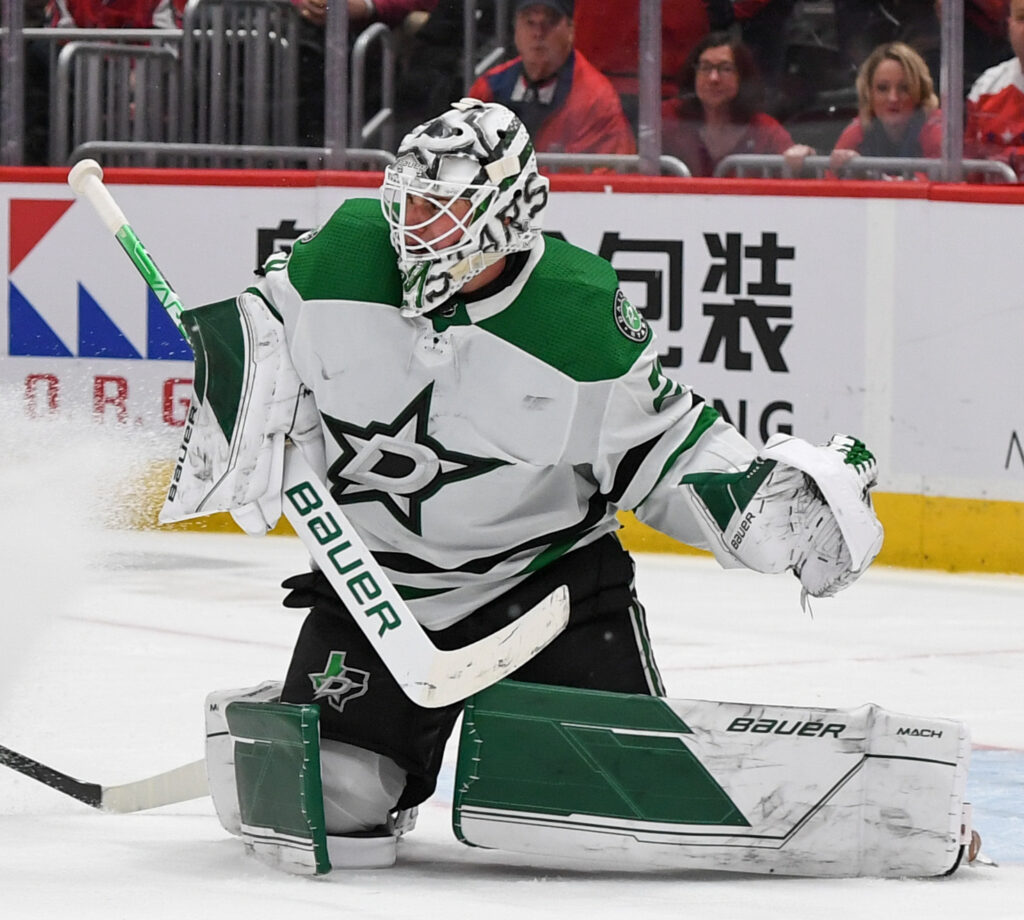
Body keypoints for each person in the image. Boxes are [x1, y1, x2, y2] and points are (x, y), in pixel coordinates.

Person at [162, 98, 883, 870]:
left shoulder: (576, 319)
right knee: (327, 810)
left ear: (507, 214)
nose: (413, 228)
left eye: (441, 212)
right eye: (409, 201)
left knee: (613, 816)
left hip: (544, 601)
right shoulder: (340, 256)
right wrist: (237, 392)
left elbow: (666, 446)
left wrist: (758, 505)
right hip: (373, 592)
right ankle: (326, 717)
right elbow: (260, 333)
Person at [467, 0, 636, 170]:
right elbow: (462, 163)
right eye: (529, 22)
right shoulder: (487, 88)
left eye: (550, 22)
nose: (538, 33)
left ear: (571, 30)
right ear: (516, 30)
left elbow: (603, 181)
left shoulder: (596, 99)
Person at [661, 32, 813, 177]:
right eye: (705, 68)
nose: (713, 78)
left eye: (725, 69)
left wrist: (805, 165)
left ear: (742, 77)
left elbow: (814, 181)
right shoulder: (669, 116)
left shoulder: (763, 129)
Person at [828, 41, 942, 173]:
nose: (893, 98)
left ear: (920, 92)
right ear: (869, 93)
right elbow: (829, 182)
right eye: (882, 88)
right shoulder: (859, 129)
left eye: (904, 88)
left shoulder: (938, 130)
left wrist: (866, 177)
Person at [965, 0, 1024, 178]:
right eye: (1022, 18)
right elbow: (971, 170)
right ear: (1009, 24)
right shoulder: (986, 87)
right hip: (994, 203)